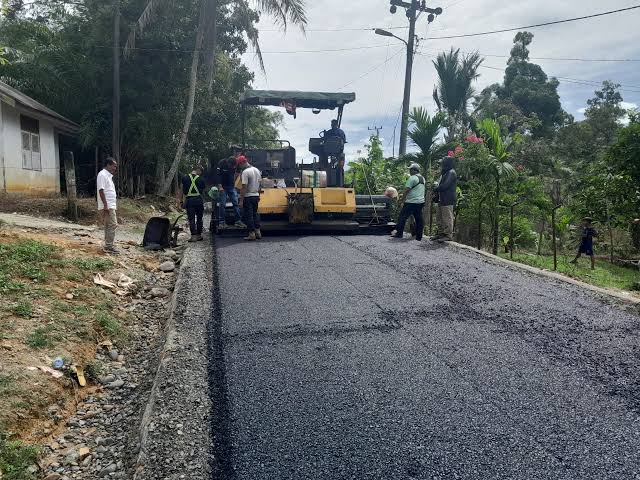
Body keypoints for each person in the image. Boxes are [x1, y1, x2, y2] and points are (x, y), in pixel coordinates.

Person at [392, 164, 425, 241]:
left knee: (402, 217)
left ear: (414, 170)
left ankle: (399, 233)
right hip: (420, 202)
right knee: (419, 219)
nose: (410, 171)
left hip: (411, 202)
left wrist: (401, 200)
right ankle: (419, 235)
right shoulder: (423, 178)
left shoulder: (412, 178)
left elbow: (406, 190)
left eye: (410, 170)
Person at [432, 156, 457, 243]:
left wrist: (436, 189)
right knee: (439, 217)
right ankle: (441, 233)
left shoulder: (451, 172)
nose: (442, 164)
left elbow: (445, 185)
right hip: (442, 199)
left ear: (447, 163)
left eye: (443, 162)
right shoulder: (445, 173)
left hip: (448, 199)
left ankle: (448, 235)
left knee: (447, 218)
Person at [238, 156, 262, 241]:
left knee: (249, 215)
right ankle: (258, 232)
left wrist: (241, 200)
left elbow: (244, 187)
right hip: (255, 195)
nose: (239, 167)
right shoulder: (257, 170)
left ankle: (251, 234)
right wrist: (258, 195)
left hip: (248, 196)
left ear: (242, 163)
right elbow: (260, 185)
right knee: (255, 214)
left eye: (239, 165)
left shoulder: (245, 172)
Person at [216, 156, 244, 230]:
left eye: (234, 166)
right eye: (232, 166)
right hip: (223, 187)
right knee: (222, 204)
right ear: (228, 163)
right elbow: (218, 175)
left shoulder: (235, 164)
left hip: (231, 186)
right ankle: (222, 222)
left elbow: (238, 173)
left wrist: (236, 182)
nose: (233, 167)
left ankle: (238, 221)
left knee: (235, 203)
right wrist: (220, 186)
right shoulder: (222, 163)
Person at [97, 158, 118, 253]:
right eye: (114, 166)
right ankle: (109, 246)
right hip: (108, 205)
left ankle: (107, 245)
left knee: (108, 225)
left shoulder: (108, 176)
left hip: (109, 204)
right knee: (113, 224)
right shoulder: (102, 175)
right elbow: (101, 190)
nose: (115, 168)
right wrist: (106, 205)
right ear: (108, 165)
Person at [181, 165, 206, 242]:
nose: (200, 174)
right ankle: (199, 235)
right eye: (201, 172)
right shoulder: (201, 179)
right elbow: (203, 191)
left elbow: (182, 191)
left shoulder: (185, 178)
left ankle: (193, 236)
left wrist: (181, 201)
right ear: (198, 170)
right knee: (199, 218)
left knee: (191, 218)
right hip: (198, 200)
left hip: (189, 200)